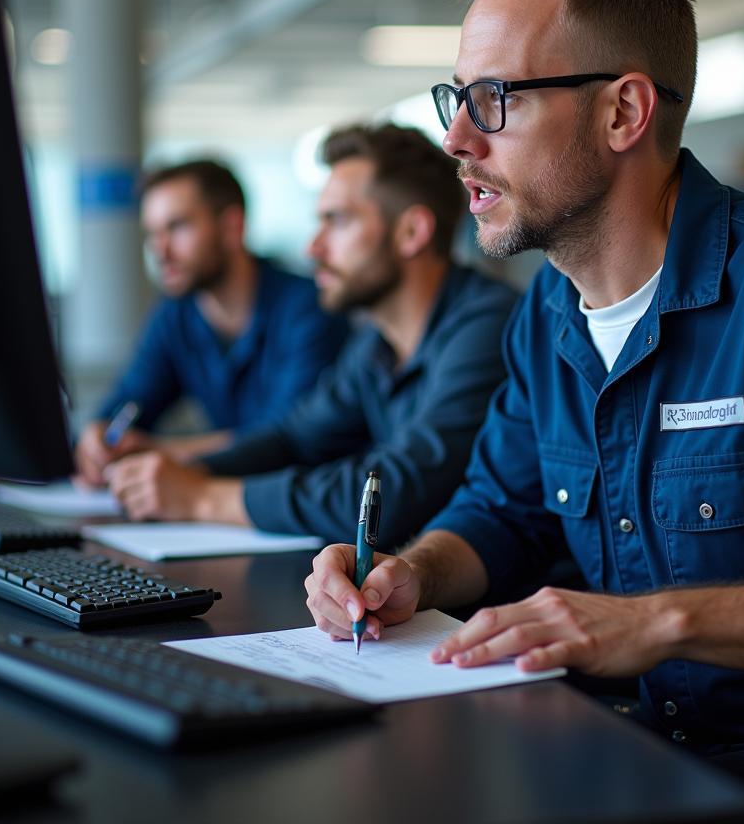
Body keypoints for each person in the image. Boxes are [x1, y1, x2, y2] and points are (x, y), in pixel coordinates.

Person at [304, 0, 744, 823]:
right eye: (456, 99)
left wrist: (655, 623)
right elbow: (503, 510)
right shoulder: (547, 314)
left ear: (623, 113)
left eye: (495, 99)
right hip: (616, 725)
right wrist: (410, 573)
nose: (459, 139)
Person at [103, 123, 518, 547]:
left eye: (335, 222)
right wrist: (185, 473)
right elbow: (291, 439)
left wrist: (200, 499)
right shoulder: (376, 345)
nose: (313, 248)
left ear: (411, 232)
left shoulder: (488, 328)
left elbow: (388, 496)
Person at [74, 158, 347, 484]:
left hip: (303, 505)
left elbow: (286, 439)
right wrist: (97, 441)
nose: (160, 250)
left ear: (232, 226)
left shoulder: (309, 307)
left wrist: (164, 452)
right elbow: (128, 403)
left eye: (177, 227)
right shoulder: (174, 314)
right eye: (152, 233)